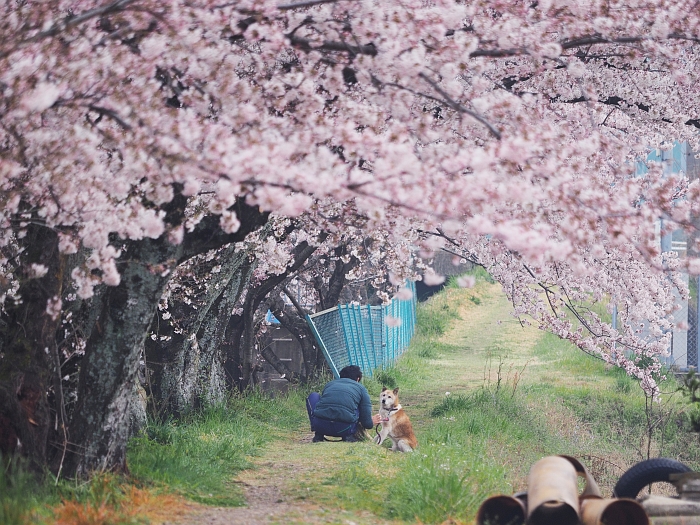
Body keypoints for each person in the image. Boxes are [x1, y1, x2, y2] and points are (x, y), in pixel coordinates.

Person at [306, 365, 381, 442]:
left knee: (313, 395)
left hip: (320, 426)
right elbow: (367, 424)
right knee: (356, 404)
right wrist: (371, 422)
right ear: (358, 379)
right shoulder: (361, 389)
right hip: (345, 428)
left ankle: (318, 434)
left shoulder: (330, 384)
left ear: (341, 376)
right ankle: (348, 436)